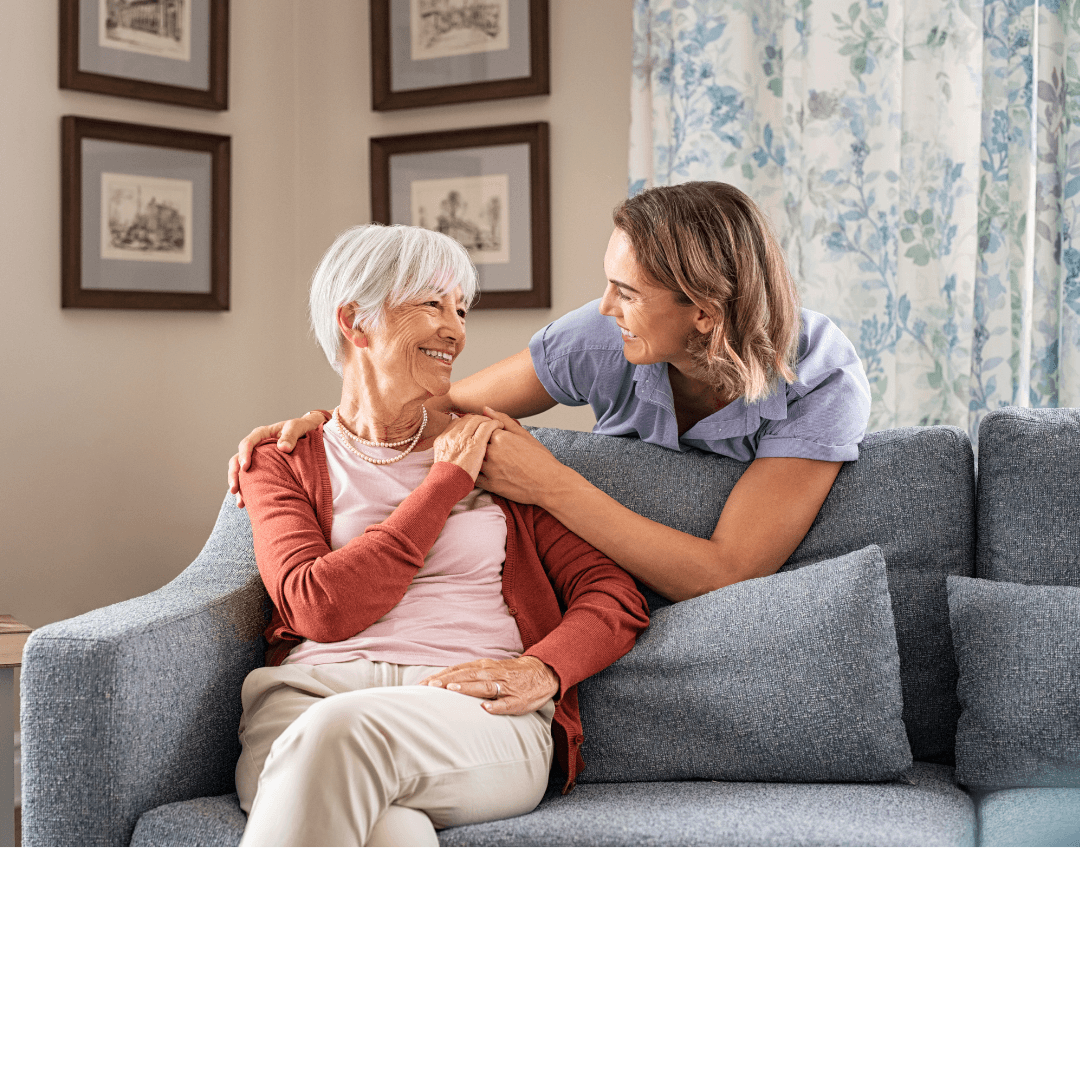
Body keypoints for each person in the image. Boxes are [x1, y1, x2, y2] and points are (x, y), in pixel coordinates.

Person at [231, 182, 872, 604]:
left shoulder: (819, 376)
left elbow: (728, 574)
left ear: (703, 313)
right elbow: (436, 409)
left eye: (628, 293)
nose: (604, 305)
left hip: (715, 607)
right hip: (595, 586)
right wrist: (329, 425)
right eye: (608, 282)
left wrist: (547, 482)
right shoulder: (600, 337)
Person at [235, 223, 648, 847]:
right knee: (392, 836)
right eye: (432, 304)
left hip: (469, 706)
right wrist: (442, 486)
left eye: (461, 309)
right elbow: (320, 607)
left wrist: (544, 668)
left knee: (340, 736)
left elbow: (611, 593)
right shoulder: (284, 458)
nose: (455, 329)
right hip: (309, 699)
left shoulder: (497, 450)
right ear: (356, 322)